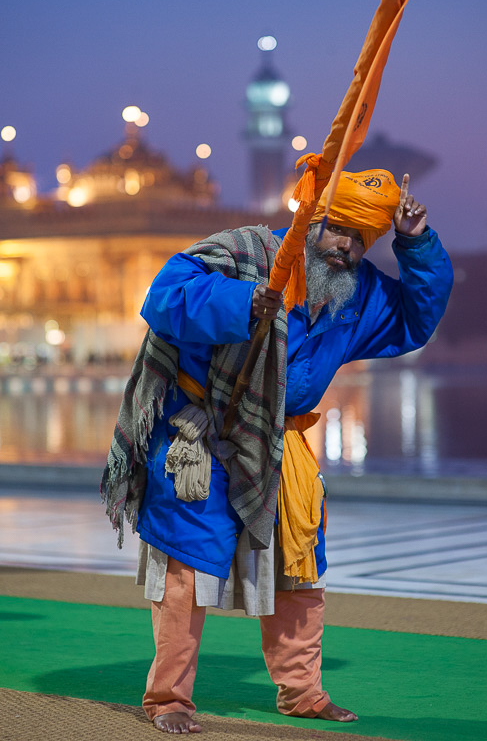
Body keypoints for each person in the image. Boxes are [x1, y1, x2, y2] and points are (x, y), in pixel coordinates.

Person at [102, 169, 453, 734]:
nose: (346, 247)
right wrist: (248, 301)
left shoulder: (356, 293)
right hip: (201, 435)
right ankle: (168, 699)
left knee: (300, 567)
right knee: (186, 569)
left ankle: (303, 694)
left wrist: (416, 241)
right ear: (312, 218)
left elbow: (417, 321)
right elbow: (165, 298)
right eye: (338, 230)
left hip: (281, 442)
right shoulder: (244, 254)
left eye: (360, 239)